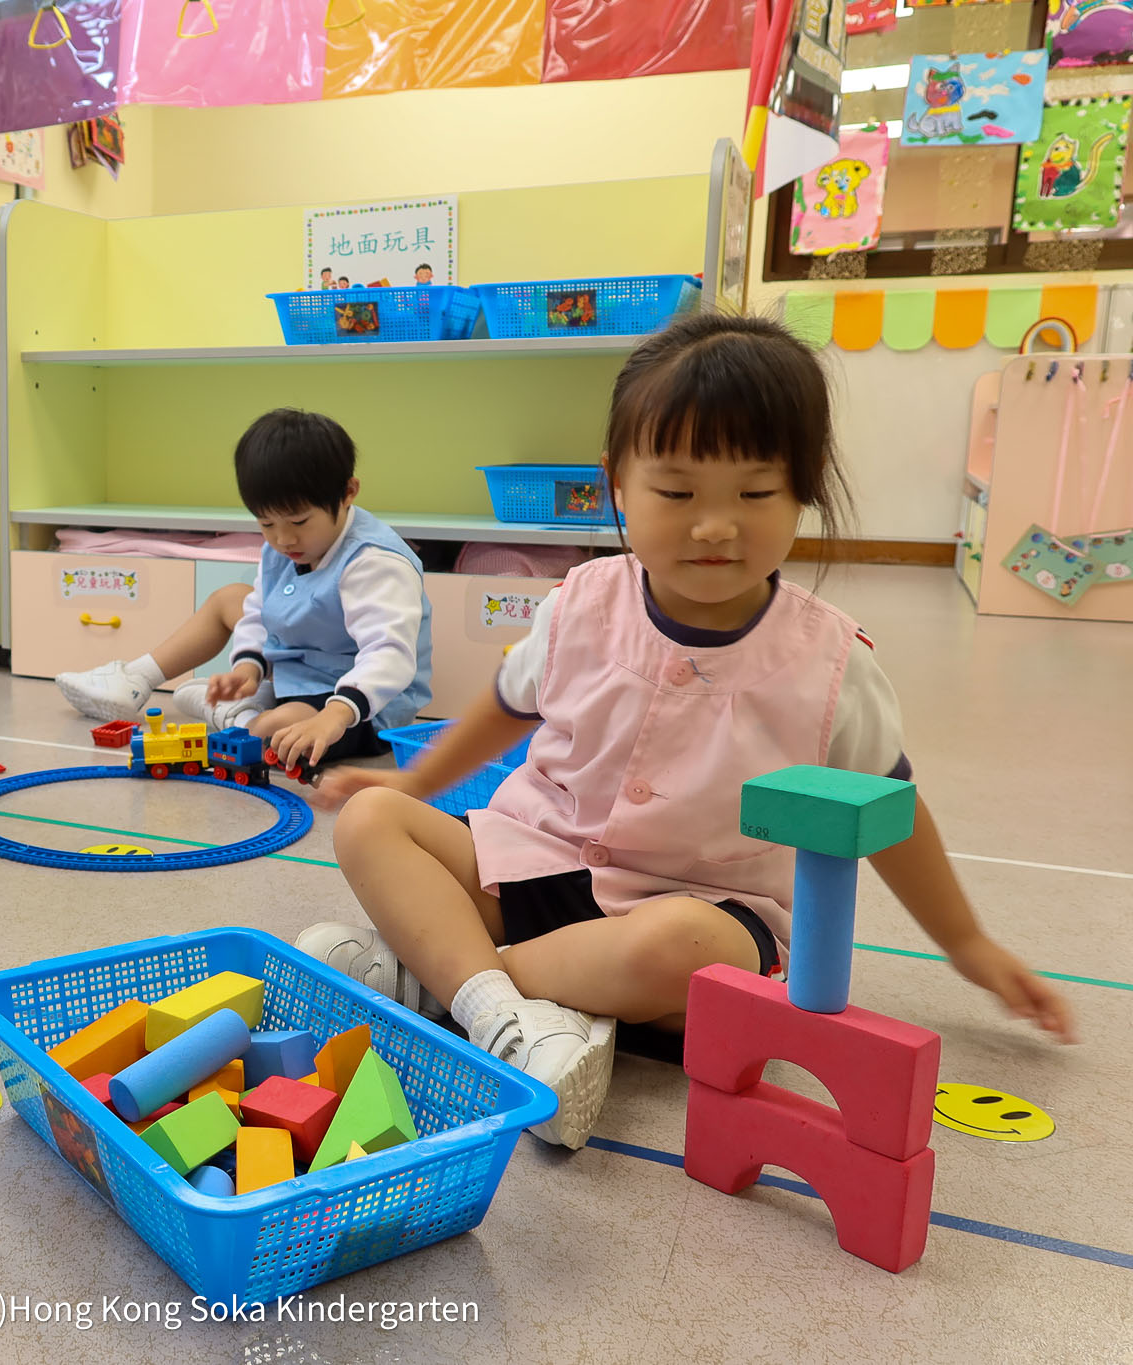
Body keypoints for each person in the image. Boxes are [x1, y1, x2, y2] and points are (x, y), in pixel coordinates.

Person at [296, 312, 1076, 1150]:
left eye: (754, 493)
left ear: (804, 489)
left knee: (679, 947)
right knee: (372, 822)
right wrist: (411, 785)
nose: (714, 526)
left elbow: (890, 810)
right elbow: (504, 705)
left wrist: (967, 943)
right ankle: (510, 1006)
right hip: (538, 864)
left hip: (696, 917)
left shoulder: (829, 664)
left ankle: (457, 986)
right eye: (677, 493)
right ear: (616, 485)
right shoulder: (581, 602)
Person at [57, 409, 430, 771]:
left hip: (359, 705)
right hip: (299, 668)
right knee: (229, 598)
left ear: (348, 493)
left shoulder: (374, 562)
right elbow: (259, 611)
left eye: (299, 521)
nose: (283, 539)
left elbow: (389, 654)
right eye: (266, 523)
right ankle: (136, 679)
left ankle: (238, 717)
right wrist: (249, 668)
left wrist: (334, 714)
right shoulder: (285, 546)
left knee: (275, 731)